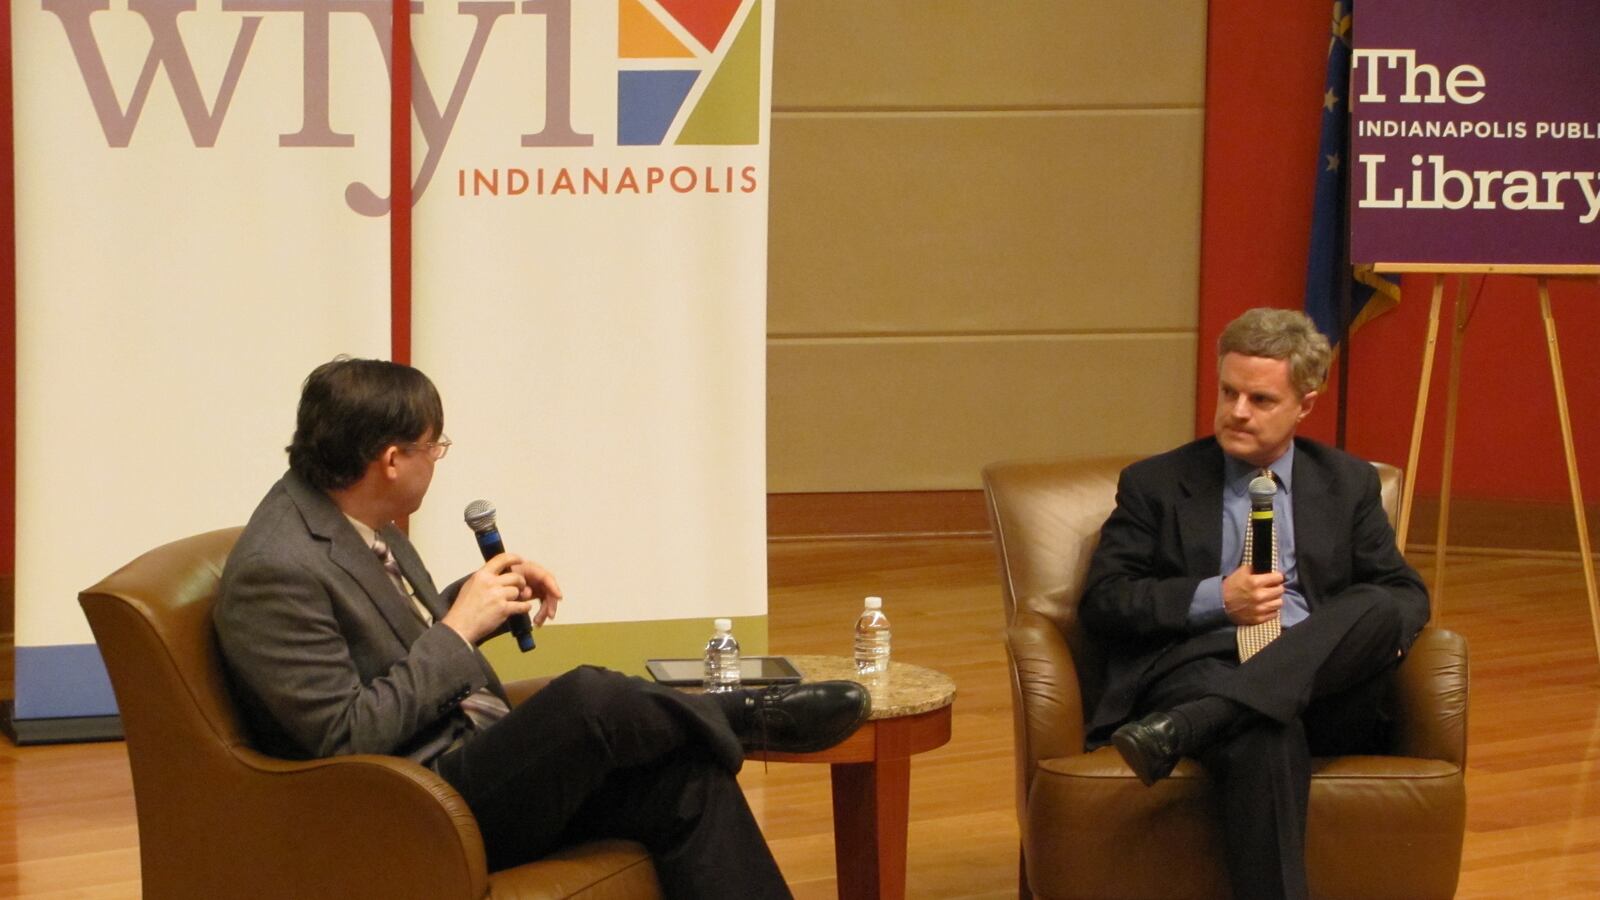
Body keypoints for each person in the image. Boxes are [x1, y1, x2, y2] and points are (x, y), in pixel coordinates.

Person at [213, 357, 870, 899]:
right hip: (411, 807)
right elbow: (343, 736)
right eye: (434, 446)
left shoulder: (355, 516)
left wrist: (483, 603)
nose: (438, 460)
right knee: (587, 698)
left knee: (688, 783)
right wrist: (458, 629)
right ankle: (737, 715)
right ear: (390, 459)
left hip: (473, 753)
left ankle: (719, 721)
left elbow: (393, 636)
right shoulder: (277, 566)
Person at [1079, 308, 1430, 900]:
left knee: (1376, 604)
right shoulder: (1156, 483)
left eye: (1261, 400)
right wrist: (1218, 596)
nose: (1237, 411)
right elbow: (1106, 601)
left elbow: (1405, 595)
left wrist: (1323, 647)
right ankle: (1218, 709)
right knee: (1265, 732)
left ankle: (1195, 725)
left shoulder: (1347, 483)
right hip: (1202, 662)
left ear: (1306, 406)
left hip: (1322, 680)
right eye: (1228, 392)